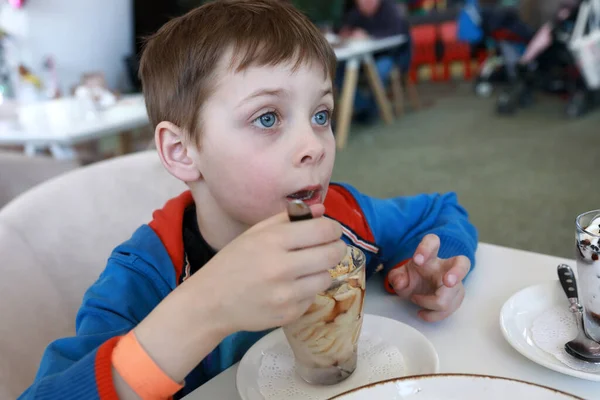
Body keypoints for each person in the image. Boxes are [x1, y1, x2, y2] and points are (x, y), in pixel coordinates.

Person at [18, 1, 478, 399]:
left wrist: (433, 264)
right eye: (266, 118)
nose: (315, 145)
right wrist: (203, 308)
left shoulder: (343, 216)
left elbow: (440, 210)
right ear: (182, 152)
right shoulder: (144, 277)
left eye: (320, 114)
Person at [338, 0, 413, 119]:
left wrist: (368, 34)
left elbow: (397, 33)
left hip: (393, 55)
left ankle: (372, 109)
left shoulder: (390, 9)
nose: (366, 3)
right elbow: (344, 30)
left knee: (380, 69)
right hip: (365, 58)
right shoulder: (355, 14)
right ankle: (365, 106)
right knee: (338, 71)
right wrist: (347, 33)